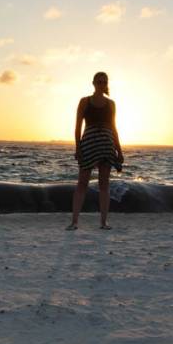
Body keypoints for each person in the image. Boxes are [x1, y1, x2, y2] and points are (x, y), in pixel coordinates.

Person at [67, 71, 123, 230]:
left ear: (107, 84)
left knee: (104, 184)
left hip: (106, 144)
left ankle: (104, 222)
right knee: (82, 183)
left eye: (104, 82)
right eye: (99, 82)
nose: (101, 84)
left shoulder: (111, 104)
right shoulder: (84, 101)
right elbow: (77, 127)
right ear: (93, 83)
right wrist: (78, 147)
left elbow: (114, 128)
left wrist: (119, 150)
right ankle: (74, 222)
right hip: (89, 143)